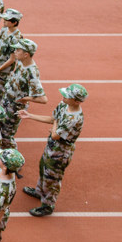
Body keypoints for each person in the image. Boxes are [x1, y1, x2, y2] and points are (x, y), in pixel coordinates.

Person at [19, 84, 87, 217]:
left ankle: (47, 205)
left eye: (67, 96)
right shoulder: (63, 105)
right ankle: (40, 191)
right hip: (52, 146)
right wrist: (30, 116)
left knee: (53, 178)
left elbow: (55, 134)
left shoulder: (74, 118)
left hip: (61, 152)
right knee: (43, 167)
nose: (64, 97)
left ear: (77, 101)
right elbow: (52, 119)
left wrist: (55, 125)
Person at [0, 38, 48, 148]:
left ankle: (10, 158)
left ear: (26, 54)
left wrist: (25, 99)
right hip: (7, 102)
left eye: (18, 50)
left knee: (7, 135)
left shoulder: (31, 73)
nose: (15, 52)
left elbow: (43, 99)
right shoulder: (21, 62)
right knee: (1, 129)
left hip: (14, 108)